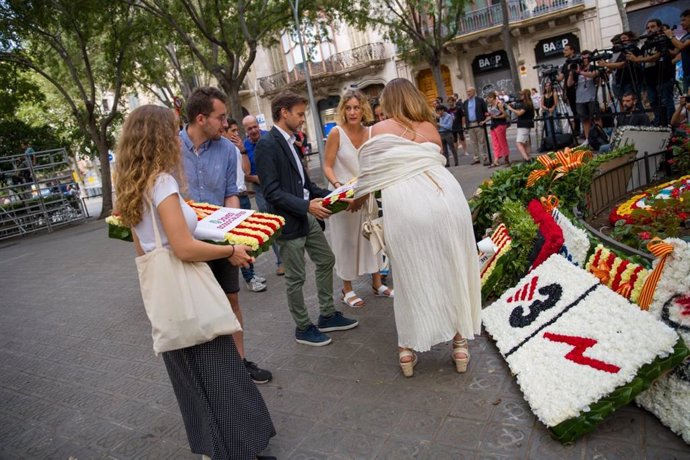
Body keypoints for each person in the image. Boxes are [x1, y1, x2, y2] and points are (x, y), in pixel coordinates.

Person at [114, 105, 276, 459]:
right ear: (159, 137)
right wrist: (230, 249)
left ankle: (215, 448)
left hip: (167, 296)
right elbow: (184, 247)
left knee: (192, 381)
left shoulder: (131, 186)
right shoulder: (162, 182)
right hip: (191, 292)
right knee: (220, 373)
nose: (177, 138)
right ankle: (240, 450)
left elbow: (142, 249)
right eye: (171, 131)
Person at [351, 78, 481, 377]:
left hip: (407, 204)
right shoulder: (430, 128)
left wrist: (355, 201)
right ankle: (460, 345)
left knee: (410, 277)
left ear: (388, 102)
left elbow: (366, 180)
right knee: (453, 269)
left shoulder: (375, 131)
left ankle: (407, 351)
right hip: (449, 199)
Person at [180, 87, 272, 384]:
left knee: (231, 300)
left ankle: (239, 364)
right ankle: (207, 374)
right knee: (194, 308)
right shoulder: (170, 148)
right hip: (185, 243)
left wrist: (234, 235)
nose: (225, 124)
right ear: (201, 118)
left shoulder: (227, 150)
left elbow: (232, 195)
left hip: (220, 241)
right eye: (220, 118)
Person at [255, 91, 359, 346]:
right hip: (288, 222)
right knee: (296, 278)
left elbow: (306, 185)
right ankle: (303, 327)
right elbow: (271, 191)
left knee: (326, 260)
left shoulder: (293, 141)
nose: (303, 119)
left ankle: (326, 315)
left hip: (306, 215)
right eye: (300, 114)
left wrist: (336, 196)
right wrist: (306, 207)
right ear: (284, 113)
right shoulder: (267, 144)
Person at [321, 89, 393, 308]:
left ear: (364, 109)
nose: (352, 112)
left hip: (366, 193)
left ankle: (377, 283)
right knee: (345, 242)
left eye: (357, 107)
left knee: (371, 237)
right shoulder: (336, 133)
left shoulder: (371, 132)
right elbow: (327, 165)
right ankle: (347, 289)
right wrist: (337, 186)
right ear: (343, 110)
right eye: (348, 108)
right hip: (342, 197)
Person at [224, 119, 268, 293]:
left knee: (247, 237)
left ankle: (251, 273)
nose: (235, 134)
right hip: (232, 198)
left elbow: (247, 171)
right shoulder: (221, 150)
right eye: (232, 131)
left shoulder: (237, 149)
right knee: (238, 240)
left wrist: (242, 150)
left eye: (236, 130)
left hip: (243, 196)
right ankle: (248, 278)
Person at [243, 115, 285, 276]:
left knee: (283, 219)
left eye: (255, 127)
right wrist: (257, 179)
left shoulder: (270, 137)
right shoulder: (245, 147)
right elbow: (245, 173)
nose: (253, 131)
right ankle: (281, 261)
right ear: (246, 131)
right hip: (260, 190)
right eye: (249, 129)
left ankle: (292, 253)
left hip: (277, 185)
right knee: (270, 225)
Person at [627, 19, 675, 125]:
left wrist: (637, 59)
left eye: (652, 27)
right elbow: (640, 56)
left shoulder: (664, 40)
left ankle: (670, 125)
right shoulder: (646, 44)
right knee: (653, 102)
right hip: (649, 79)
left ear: (659, 27)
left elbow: (656, 56)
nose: (649, 29)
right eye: (648, 28)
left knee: (666, 101)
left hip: (664, 76)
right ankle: (659, 124)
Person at [567, 50, 598, 142]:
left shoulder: (593, 67)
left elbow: (593, 75)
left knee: (596, 118)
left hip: (592, 96)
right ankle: (588, 139)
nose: (584, 60)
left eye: (586, 57)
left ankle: (599, 136)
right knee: (584, 120)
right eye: (583, 58)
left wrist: (580, 72)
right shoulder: (577, 68)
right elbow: (569, 84)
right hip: (580, 99)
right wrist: (571, 73)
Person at [558, 43, 582, 138]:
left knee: (581, 110)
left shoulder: (577, 61)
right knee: (574, 111)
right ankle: (577, 130)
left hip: (579, 88)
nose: (564, 51)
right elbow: (561, 78)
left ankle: (583, 130)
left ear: (572, 50)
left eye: (566, 49)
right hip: (569, 91)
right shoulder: (565, 64)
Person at [506, 89, 535, 162]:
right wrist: (513, 104)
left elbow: (519, 113)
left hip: (524, 124)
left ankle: (527, 159)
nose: (520, 96)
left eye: (522, 95)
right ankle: (528, 157)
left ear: (525, 95)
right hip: (524, 124)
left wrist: (510, 108)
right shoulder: (526, 103)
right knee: (525, 142)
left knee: (519, 143)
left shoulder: (527, 104)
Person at [462, 87, 489, 165]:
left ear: (474, 91)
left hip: (479, 123)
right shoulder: (465, 102)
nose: (468, 93)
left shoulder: (480, 100)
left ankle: (484, 157)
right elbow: (465, 114)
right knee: (473, 142)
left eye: (469, 91)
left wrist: (484, 121)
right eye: (467, 91)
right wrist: (465, 125)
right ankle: (476, 158)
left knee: (482, 141)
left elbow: (485, 111)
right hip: (470, 124)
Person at [666, 10, 690, 92]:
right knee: (687, 102)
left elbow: (681, 46)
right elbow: (675, 52)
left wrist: (670, 36)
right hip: (686, 74)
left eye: (684, 20)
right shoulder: (685, 37)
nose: (681, 23)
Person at [484, 91, 510, 168]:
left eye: (488, 98)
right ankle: (496, 160)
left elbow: (505, 114)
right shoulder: (490, 105)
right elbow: (492, 116)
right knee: (495, 143)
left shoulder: (499, 104)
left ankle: (506, 158)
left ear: (492, 98)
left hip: (500, 124)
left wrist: (497, 117)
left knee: (502, 142)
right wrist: (484, 121)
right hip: (493, 125)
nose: (487, 100)